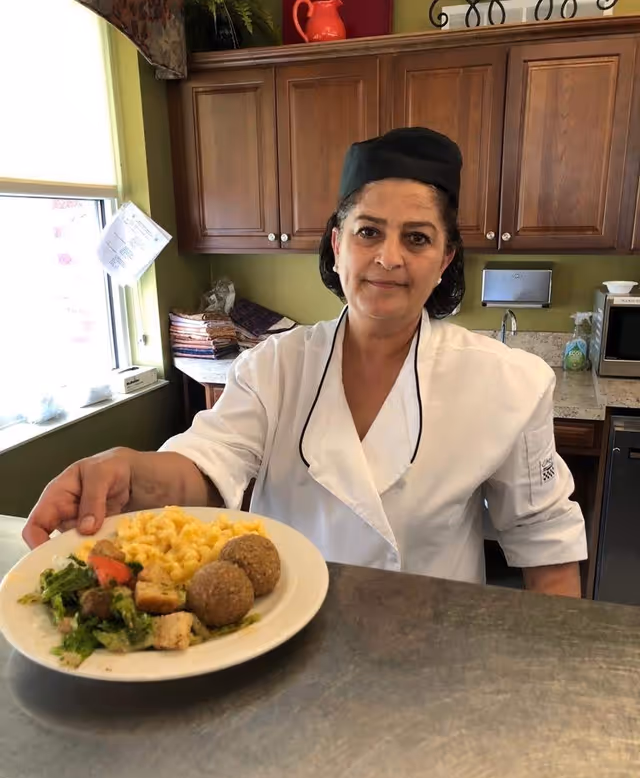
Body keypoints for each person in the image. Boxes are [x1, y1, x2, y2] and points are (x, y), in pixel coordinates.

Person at [24, 127, 586, 596]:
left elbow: (547, 546)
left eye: (416, 238)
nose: (388, 257)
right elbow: (203, 469)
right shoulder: (275, 367)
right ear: (338, 245)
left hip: (431, 651)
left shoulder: (507, 383)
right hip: (285, 636)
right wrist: (126, 467)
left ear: (444, 260)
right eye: (369, 232)